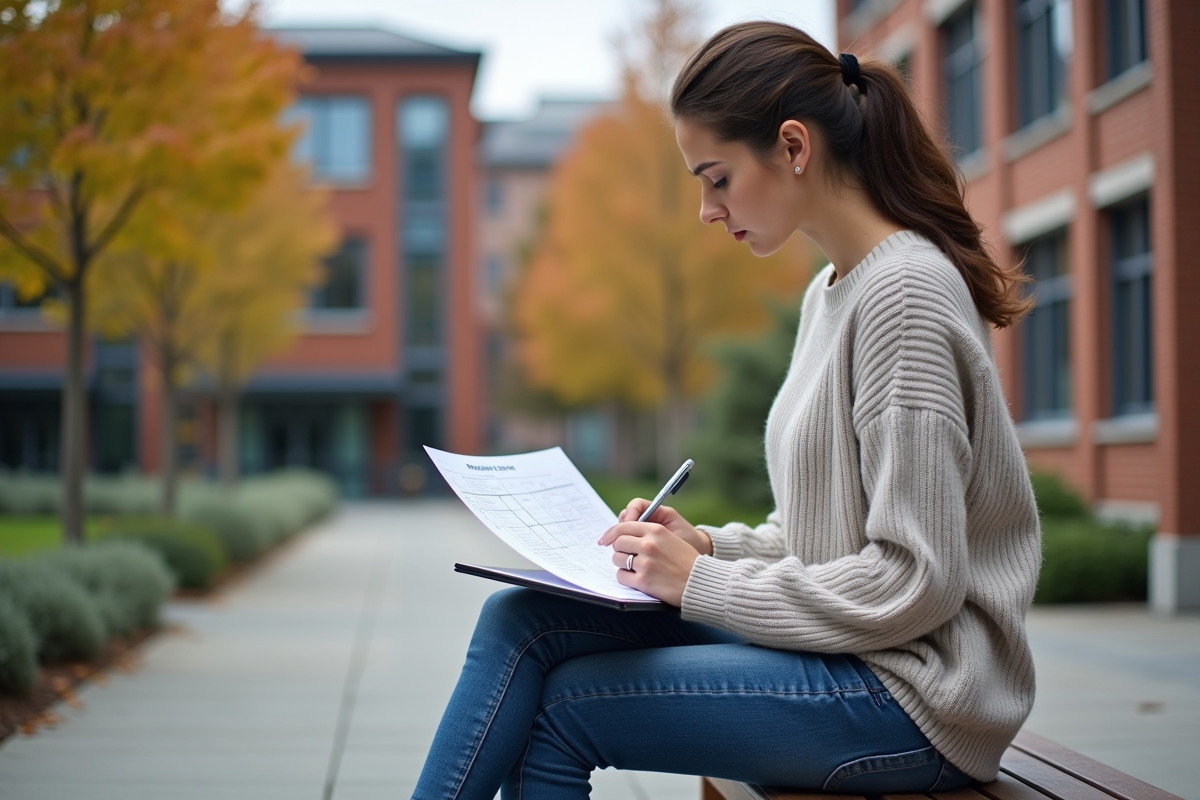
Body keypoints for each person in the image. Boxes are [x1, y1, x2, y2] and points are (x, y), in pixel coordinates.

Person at [412, 21, 1041, 800]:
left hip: (913, 700)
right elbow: (823, 537)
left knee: (564, 710)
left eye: (717, 178)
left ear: (792, 146)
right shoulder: (834, 291)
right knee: (521, 619)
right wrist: (705, 548)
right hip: (851, 659)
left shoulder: (903, 298)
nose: (708, 211)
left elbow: (914, 580)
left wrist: (699, 586)